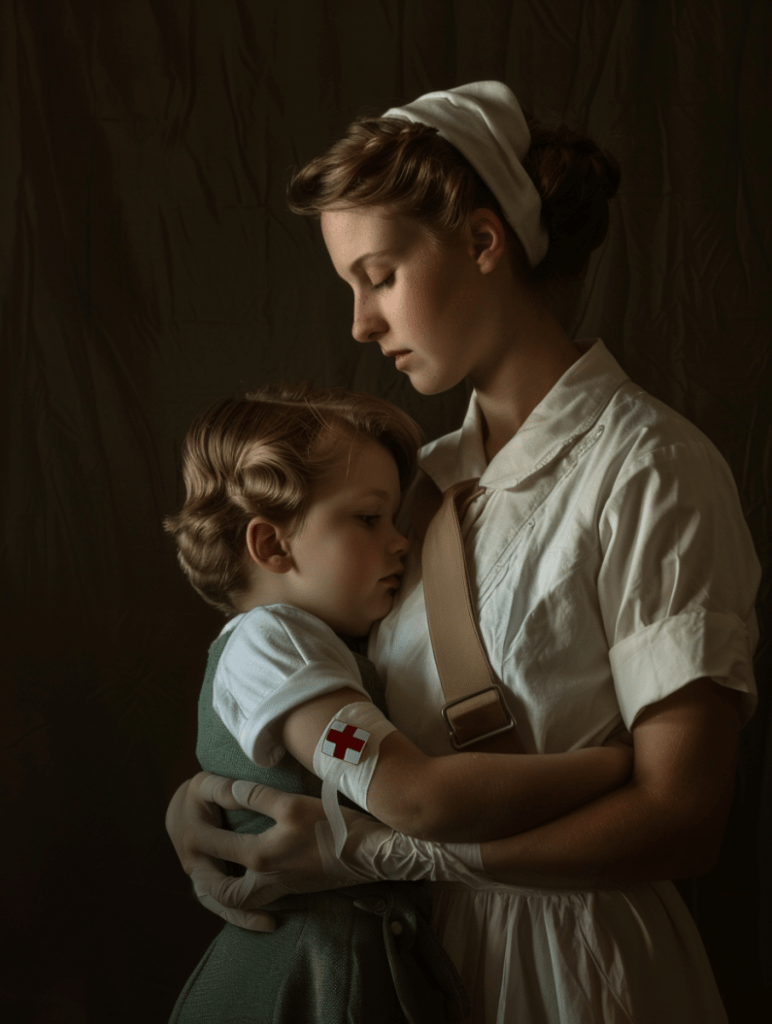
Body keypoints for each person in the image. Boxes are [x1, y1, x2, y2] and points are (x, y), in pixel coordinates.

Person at [165, 83, 761, 1023]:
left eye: (380, 275)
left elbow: (682, 821)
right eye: (349, 288)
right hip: (408, 970)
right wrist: (213, 799)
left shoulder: (652, 468)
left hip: (578, 969)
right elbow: (318, 695)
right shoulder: (410, 487)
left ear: (483, 244)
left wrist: (373, 854)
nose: (360, 323)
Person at [164, 381, 633, 1023]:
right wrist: (614, 766)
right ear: (272, 545)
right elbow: (416, 797)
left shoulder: (308, 646)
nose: (399, 542)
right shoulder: (276, 645)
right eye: (367, 518)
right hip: (303, 984)